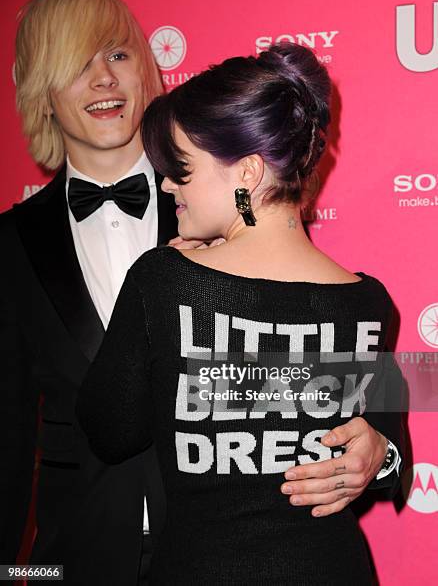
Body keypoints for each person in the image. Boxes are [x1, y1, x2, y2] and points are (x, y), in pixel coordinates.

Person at [76, 42, 406, 584]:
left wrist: (381, 453)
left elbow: (110, 430)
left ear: (247, 174)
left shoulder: (163, 281)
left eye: (181, 170)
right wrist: (386, 450)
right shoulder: (368, 298)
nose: (166, 185)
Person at [0, 0, 177, 586]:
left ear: (146, 74)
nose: (104, 77)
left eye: (118, 55)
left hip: (216, 554)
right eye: (77, 62)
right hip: (74, 561)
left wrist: (382, 450)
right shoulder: (10, 246)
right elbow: (8, 436)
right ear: (40, 91)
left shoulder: (226, 208)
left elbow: (296, 355)